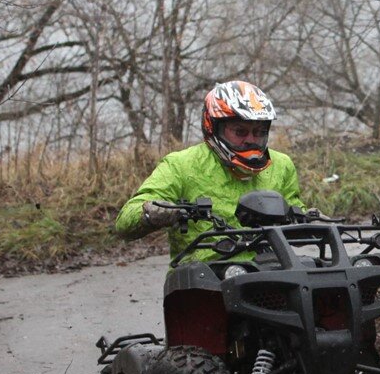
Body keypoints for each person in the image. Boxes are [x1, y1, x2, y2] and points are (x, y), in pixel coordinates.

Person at [115, 81, 303, 259]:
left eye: (259, 132)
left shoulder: (281, 165)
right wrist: (150, 213)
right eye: (240, 132)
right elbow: (124, 222)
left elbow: (297, 211)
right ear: (214, 127)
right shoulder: (181, 164)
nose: (251, 140)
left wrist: (312, 220)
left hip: (270, 270)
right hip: (204, 272)